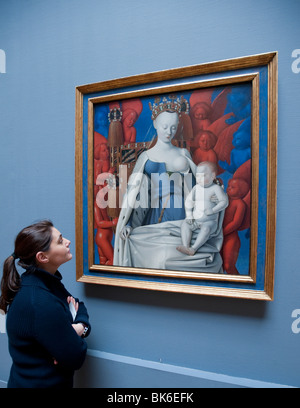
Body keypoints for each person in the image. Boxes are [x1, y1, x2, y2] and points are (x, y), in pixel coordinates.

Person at [113, 96, 226, 274]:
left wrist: (213, 191)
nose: (169, 131)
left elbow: (199, 182)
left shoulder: (183, 153)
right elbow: (135, 194)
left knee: (179, 255)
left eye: (173, 127)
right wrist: (128, 224)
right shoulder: (146, 157)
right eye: (165, 126)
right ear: (156, 124)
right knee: (160, 260)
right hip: (155, 216)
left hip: (182, 212)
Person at [0, 220, 91, 388]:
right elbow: (75, 356)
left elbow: (79, 306)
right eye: (60, 240)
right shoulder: (39, 301)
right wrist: (76, 330)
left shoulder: (47, 283)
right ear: (42, 257)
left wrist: (79, 327)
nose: (68, 241)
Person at [177, 162, 228, 256]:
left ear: (213, 176)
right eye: (198, 176)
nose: (199, 179)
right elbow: (188, 202)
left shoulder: (216, 188)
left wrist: (213, 210)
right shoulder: (196, 188)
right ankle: (185, 246)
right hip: (195, 220)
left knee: (205, 229)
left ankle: (193, 248)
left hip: (210, 221)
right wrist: (189, 215)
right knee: (185, 225)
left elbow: (224, 202)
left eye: (203, 176)